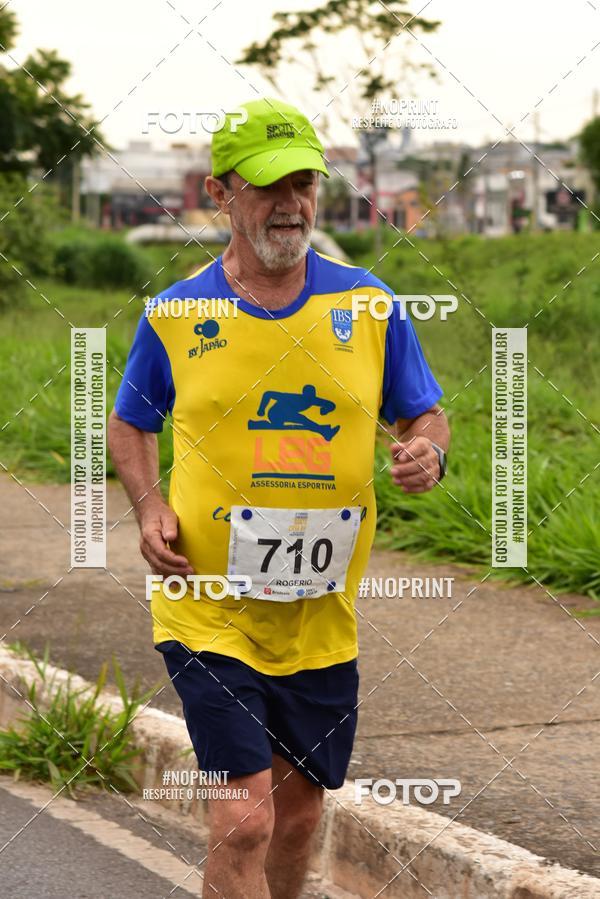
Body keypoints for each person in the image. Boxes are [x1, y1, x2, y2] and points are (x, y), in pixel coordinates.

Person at [108, 96, 450, 899]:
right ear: (221, 194)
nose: (290, 203)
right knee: (245, 821)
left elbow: (423, 411)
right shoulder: (178, 314)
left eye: (304, 182)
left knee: (297, 818)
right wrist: (149, 505)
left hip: (319, 618)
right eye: (267, 185)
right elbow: (131, 425)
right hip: (208, 611)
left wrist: (426, 449)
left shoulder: (367, 304)